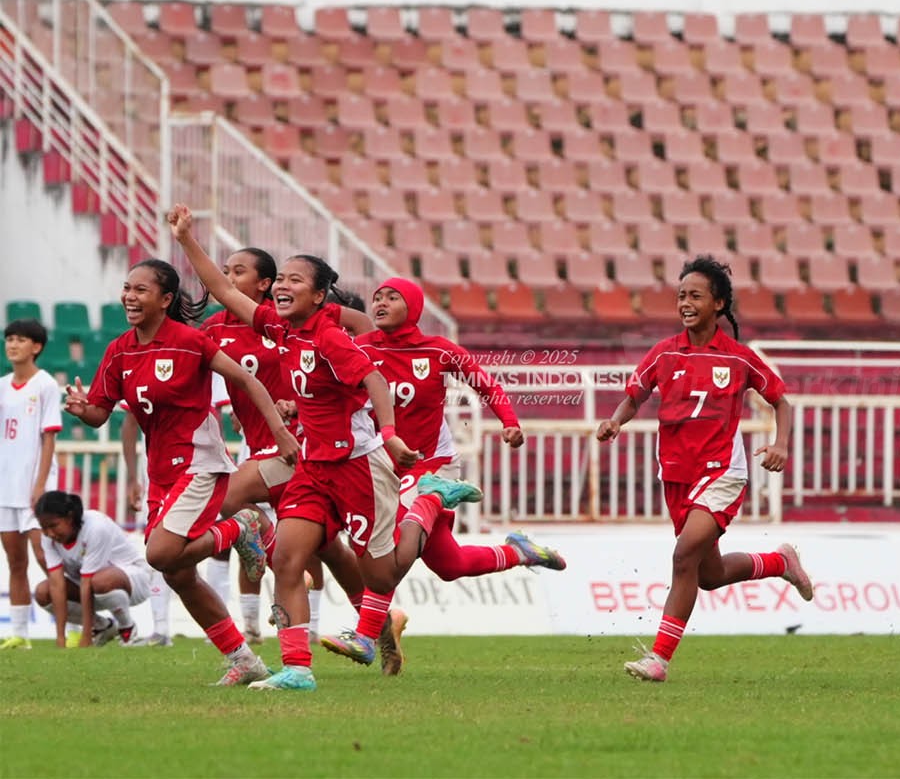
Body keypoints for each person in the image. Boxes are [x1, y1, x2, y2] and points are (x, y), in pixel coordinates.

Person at [171, 203, 425, 692]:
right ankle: (297, 670)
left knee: (381, 570)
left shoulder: (330, 337)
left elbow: (374, 378)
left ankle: (428, 508)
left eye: (294, 280)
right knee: (288, 559)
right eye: (280, 278)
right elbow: (223, 291)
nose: (283, 286)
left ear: (319, 294)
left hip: (359, 465)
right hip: (311, 467)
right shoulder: (279, 328)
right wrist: (186, 240)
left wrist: (390, 433)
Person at [62, 258, 292, 685]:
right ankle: (243, 660)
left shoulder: (191, 341)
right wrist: (82, 410)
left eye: (140, 290)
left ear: (165, 299)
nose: (129, 296)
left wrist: (279, 431)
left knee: (160, 555)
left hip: (199, 461)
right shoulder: (120, 350)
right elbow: (100, 413)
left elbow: (247, 381)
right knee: (178, 573)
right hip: (161, 472)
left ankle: (240, 528)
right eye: (127, 288)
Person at [597, 256, 811, 683]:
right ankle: (778, 562)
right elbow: (635, 396)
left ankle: (658, 659)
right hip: (676, 474)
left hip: (722, 472)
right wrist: (616, 420)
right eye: (681, 296)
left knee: (682, 557)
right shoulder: (663, 353)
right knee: (708, 574)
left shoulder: (739, 359)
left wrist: (781, 444)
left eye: (695, 295)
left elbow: (781, 401)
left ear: (719, 303)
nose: (685, 303)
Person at [356, 277, 566, 675]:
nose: (380, 302)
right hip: (385, 464)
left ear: (414, 307)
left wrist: (510, 422)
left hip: (433, 465)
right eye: (377, 297)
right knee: (449, 565)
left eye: (392, 297)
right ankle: (519, 552)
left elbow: (485, 382)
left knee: (392, 537)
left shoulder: (437, 350)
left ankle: (365, 634)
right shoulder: (361, 349)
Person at [0, 319, 63, 649]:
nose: (12, 345)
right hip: (6, 489)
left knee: (46, 556)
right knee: (15, 561)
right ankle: (20, 635)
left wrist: (40, 487)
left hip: (35, 488)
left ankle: (77, 625)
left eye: (20, 339)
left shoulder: (46, 385)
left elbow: (48, 438)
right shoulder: (2, 385)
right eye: (9, 339)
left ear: (36, 347)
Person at [33, 490, 151, 647]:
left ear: (69, 517)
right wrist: (61, 639)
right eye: (44, 528)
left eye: (54, 526)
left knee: (100, 580)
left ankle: (127, 629)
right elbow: (57, 585)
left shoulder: (96, 527)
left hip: (133, 581)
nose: (49, 533)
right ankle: (103, 627)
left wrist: (86, 635)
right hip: (91, 586)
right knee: (43, 592)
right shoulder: (48, 538)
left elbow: (87, 582)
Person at [121, 410, 173, 645]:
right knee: (158, 552)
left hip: (195, 474)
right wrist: (133, 479)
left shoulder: (205, 373)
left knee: (191, 552)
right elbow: (130, 422)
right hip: (155, 482)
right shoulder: (137, 373)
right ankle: (161, 628)